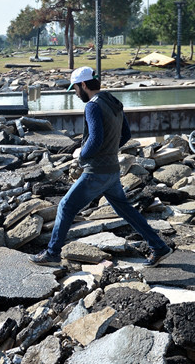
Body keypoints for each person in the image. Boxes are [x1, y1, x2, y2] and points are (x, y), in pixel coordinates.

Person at [30, 66, 173, 267]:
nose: (75, 93)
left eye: (75, 88)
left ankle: (53, 253)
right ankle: (159, 247)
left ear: (84, 85)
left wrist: (82, 155)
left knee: (66, 206)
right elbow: (126, 135)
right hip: (112, 170)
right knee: (126, 210)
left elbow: (95, 139)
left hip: (96, 172)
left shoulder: (93, 106)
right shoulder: (112, 101)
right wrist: (109, 151)